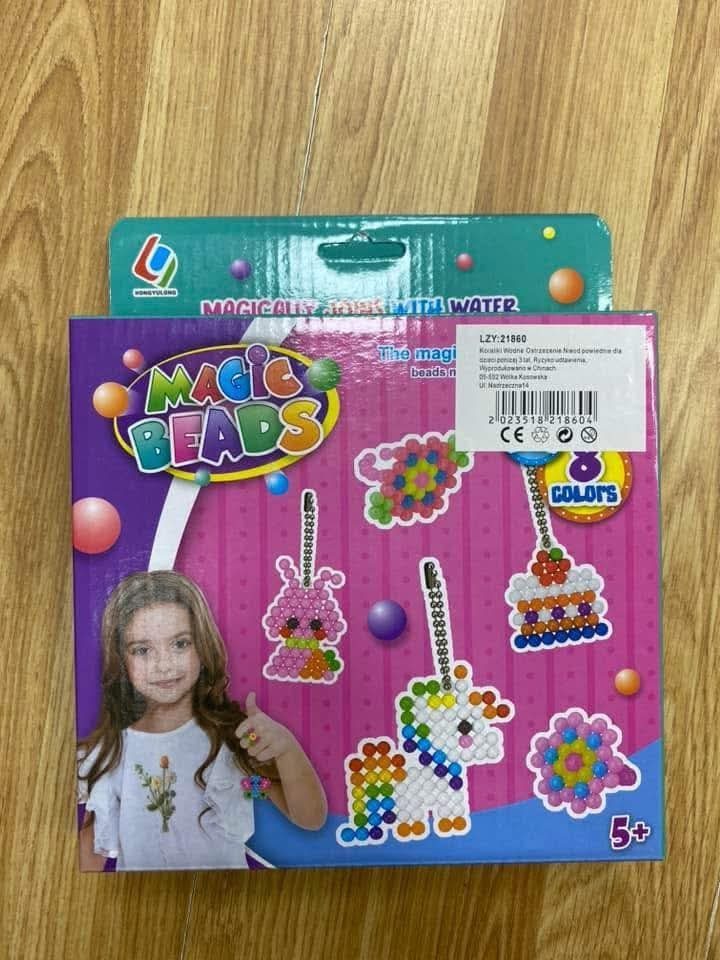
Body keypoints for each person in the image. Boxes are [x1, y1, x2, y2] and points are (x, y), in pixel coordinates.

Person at [77, 570, 327, 871]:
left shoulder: (232, 738)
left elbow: (309, 818)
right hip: (144, 897)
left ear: (203, 646)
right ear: (120, 658)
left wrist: (286, 748)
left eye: (180, 644)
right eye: (142, 650)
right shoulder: (113, 749)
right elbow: (90, 852)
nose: (164, 664)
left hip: (225, 896)